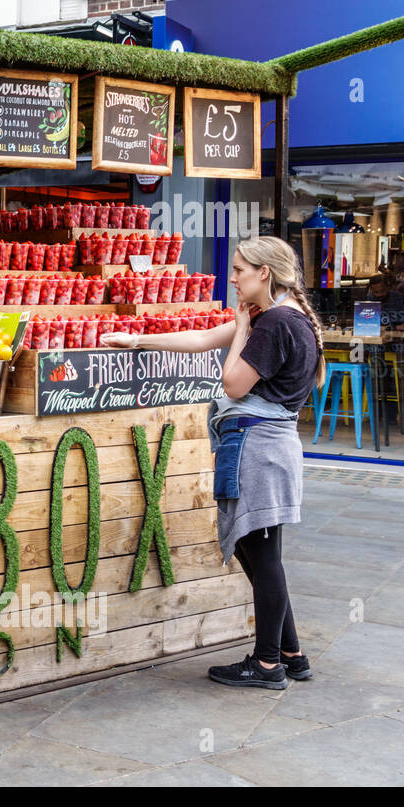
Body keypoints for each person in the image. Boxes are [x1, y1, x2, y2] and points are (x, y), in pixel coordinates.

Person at [101, 236, 322, 690]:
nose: (233, 278)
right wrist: (139, 339)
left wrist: (241, 330)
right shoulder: (282, 316)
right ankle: (290, 653)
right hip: (267, 447)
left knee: (263, 555)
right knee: (257, 552)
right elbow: (203, 339)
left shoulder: (275, 323)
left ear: (264, 273)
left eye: (240, 270)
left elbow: (235, 383)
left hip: (260, 450)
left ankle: (266, 666)